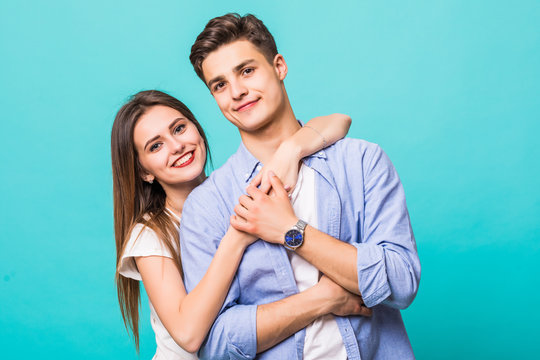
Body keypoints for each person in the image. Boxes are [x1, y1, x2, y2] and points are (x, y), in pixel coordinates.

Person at [180, 13, 421, 359]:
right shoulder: (208, 204)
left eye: (247, 71)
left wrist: (292, 231)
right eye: (219, 85)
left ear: (279, 66)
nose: (237, 92)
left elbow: (401, 282)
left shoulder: (362, 162)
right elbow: (214, 344)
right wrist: (323, 300)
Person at [111, 89, 356, 359]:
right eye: (156, 146)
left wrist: (291, 149)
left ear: (197, 129)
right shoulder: (150, 235)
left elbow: (339, 121)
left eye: (179, 128)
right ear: (144, 171)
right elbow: (189, 335)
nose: (177, 146)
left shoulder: (231, 192)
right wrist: (236, 238)